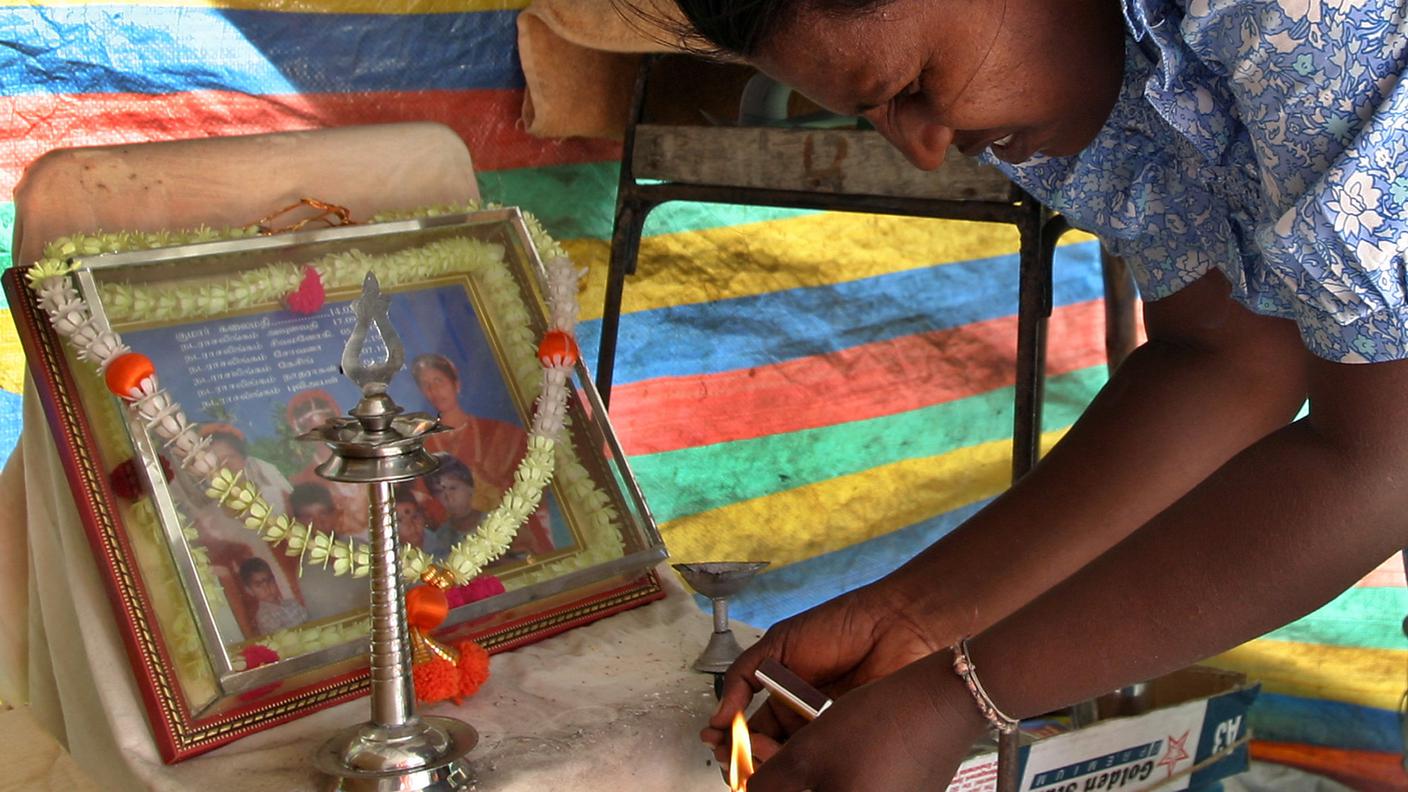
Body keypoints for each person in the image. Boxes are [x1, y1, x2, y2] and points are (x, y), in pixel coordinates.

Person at [652, 2, 1408, 790]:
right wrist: (915, 617)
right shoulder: (1084, 76)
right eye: (874, 114)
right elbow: (1228, 358)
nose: (921, 147)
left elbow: (1383, 460)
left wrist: (958, 695)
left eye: (913, 85)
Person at [412, 353, 554, 555]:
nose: (434, 390)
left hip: (510, 536)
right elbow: (426, 510)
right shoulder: (424, 447)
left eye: (438, 381)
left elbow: (532, 485)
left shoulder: (499, 433)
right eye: (426, 385)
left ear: (456, 384)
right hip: (459, 549)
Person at [239, 557, 308, 636]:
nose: (267, 588)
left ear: (274, 579)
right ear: (249, 590)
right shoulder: (264, 617)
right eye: (258, 585)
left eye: (269, 580)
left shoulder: (292, 603)